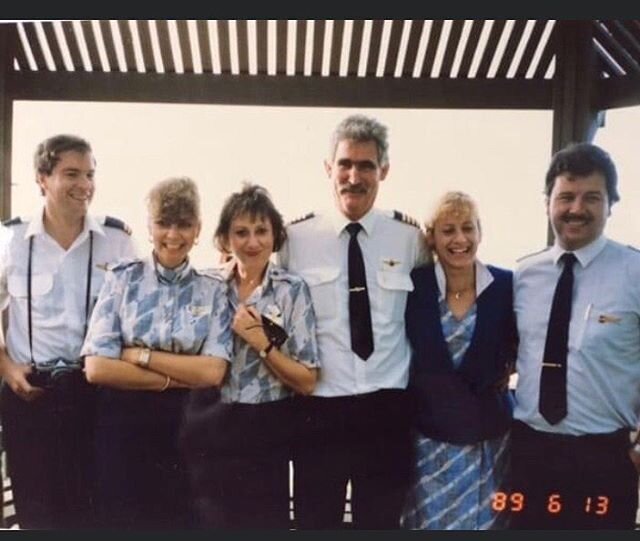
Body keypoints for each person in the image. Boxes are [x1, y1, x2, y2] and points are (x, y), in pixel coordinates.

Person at [278, 114, 427, 529]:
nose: (354, 176)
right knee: (315, 522)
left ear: (384, 170)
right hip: (319, 409)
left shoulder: (410, 238)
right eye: (344, 164)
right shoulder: (293, 240)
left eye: (366, 166)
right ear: (329, 169)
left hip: (387, 409)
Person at [0, 134, 136, 529]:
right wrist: (6, 368)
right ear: (42, 178)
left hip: (94, 394)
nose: (85, 185)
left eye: (90, 174)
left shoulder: (116, 241)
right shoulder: (10, 241)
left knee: (96, 511)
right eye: (71, 173)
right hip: (30, 394)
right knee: (37, 513)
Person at [81, 176, 232, 529]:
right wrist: (176, 377)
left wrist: (139, 356)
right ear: (149, 227)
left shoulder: (212, 291)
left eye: (184, 224)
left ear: (198, 229)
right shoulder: (121, 280)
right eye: (164, 223)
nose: (173, 235)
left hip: (186, 432)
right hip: (123, 430)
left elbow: (212, 373)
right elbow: (97, 367)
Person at [510, 142, 640, 529]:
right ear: (547, 201)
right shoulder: (522, 276)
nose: (576, 209)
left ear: (611, 204)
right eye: (565, 197)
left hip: (604, 460)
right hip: (529, 454)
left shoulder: (634, 272)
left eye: (591, 198)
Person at [181, 183, 319, 529]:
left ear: (276, 236)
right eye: (241, 232)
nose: (252, 242)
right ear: (225, 239)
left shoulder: (292, 290)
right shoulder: (205, 285)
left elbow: (307, 380)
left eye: (261, 231)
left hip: (266, 429)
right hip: (209, 423)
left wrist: (262, 343)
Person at [400, 191, 515, 530]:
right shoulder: (413, 287)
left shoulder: (507, 285)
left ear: (480, 233)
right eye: (448, 230)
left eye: (468, 228)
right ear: (431, 237)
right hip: (429, 444)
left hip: (488, 443)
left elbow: (529, 344)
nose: (460, 239)